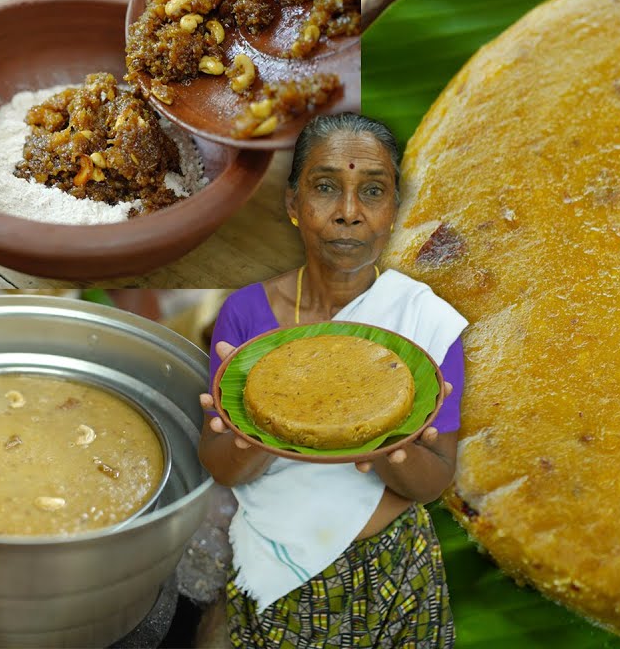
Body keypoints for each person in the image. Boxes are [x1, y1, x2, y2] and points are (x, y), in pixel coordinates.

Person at [198, 113, 465, 648]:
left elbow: (434, 483)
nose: (348, 213)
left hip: (392, 572)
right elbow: (222, 467)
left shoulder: (427, 321)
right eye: (325, 188)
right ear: (294, 204)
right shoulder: (246, 315)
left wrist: (395, 446)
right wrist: (247, 430)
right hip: (277, 567)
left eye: (372, 191)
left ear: (393, 210)